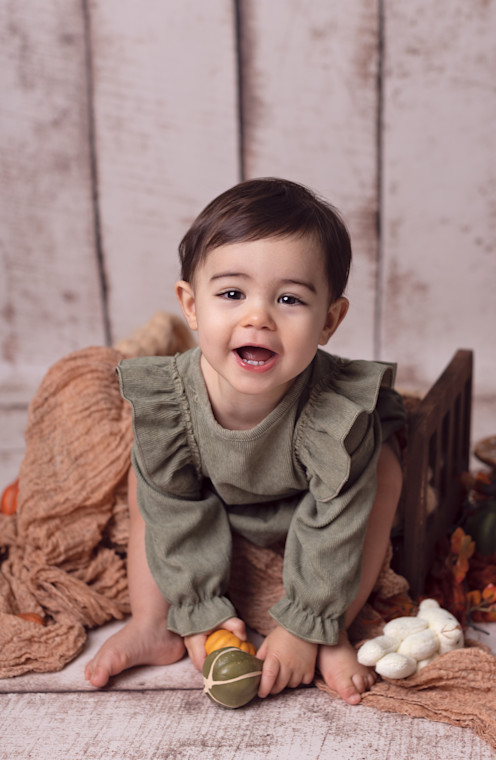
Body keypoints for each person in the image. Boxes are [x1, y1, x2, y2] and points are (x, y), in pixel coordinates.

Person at [84, 177, 405, 705]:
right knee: (148, 485)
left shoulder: (332, 414)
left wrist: (304, 625)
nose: (258, 316)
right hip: (223, 494)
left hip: (317, 496)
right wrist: (196, 609)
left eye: (289, 299)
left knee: (383, 473)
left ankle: (328, 629)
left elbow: (336, 523)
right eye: (232, 294)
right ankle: (152, 622)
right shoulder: (173, 405)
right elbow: (172, 510)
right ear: (190, 306)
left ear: (329, 320)